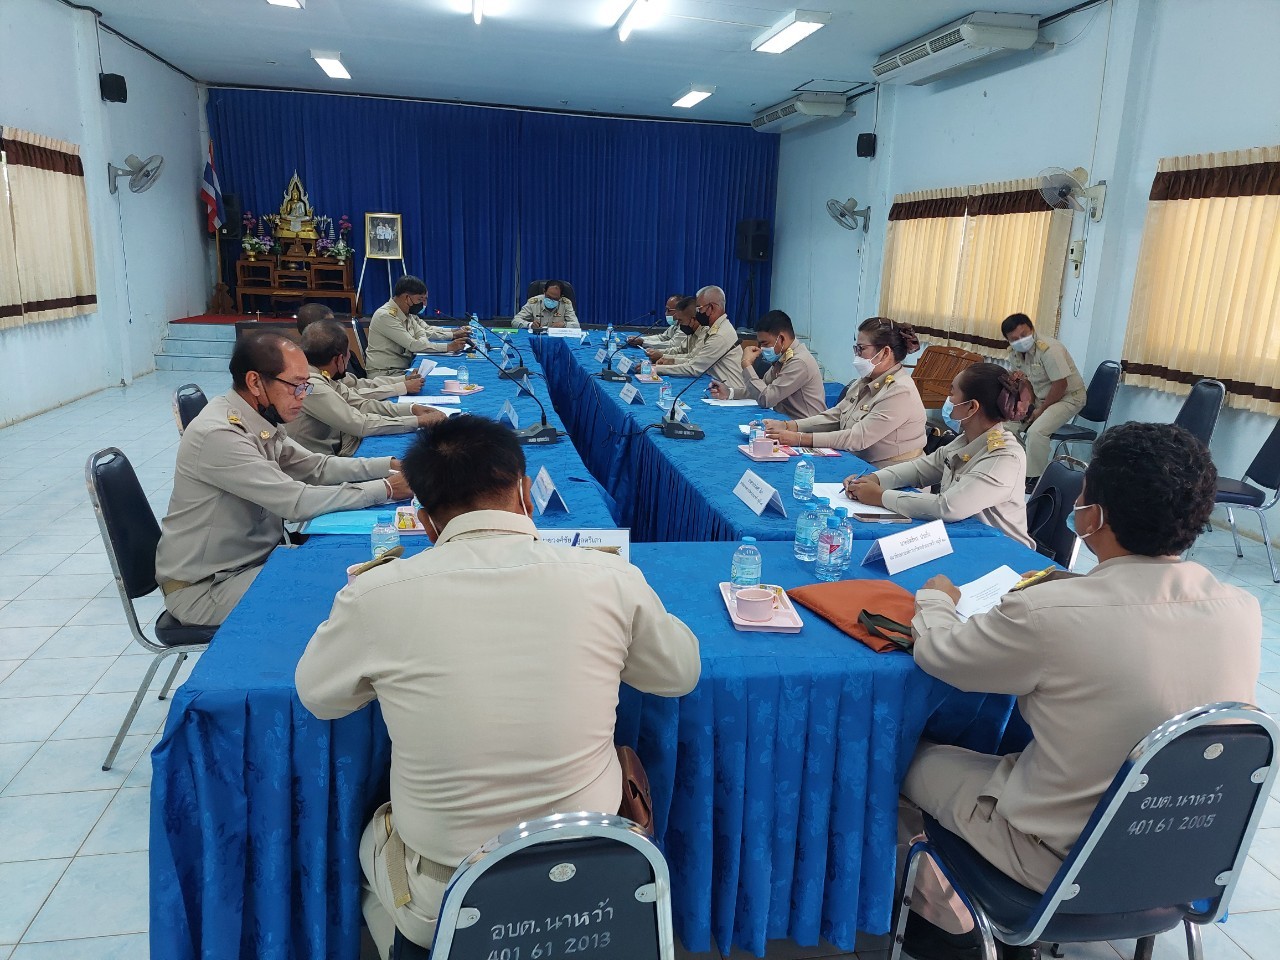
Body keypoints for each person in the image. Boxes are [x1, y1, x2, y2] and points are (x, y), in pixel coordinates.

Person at [294, 414, 701, 956]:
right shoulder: (607, 577)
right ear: (525, 493)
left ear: (425, 521)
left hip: (450, 894)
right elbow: (678, 674)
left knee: (369, 834)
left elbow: (319, 698)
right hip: (598, 874)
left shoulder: (376, 595)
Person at [895, 422, 1261, 960]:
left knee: (901, 758)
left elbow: (940, 655)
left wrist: (936, 600)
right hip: (1183, 856)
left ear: (1094, 517)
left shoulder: (1051, 614)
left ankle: (945, 920)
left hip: (1058, 858)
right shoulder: (1241, 609)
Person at [155, 333, 410, 626]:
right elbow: (296, 502)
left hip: (253, 561)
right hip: (207, 588)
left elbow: (316, 467)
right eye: (296, 386)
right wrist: (386, 489)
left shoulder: (257, 417)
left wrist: (389, 465)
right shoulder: (220, 434)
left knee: (354, 572)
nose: (303, 395)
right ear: (255, 382)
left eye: (306, 385)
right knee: (347, 595)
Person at [845, 362, 1033, 547]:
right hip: (966, 539)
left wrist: (879, 496)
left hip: (1002, 551)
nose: (948, 400)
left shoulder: (1004, 458)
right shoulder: (966, 440)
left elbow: (948, 507)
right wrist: (875, 479)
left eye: (952, 393)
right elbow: (920, 470)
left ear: (971, 407)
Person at [764, 317, 925, 464]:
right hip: (858, 460)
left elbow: (857, 438)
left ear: (885, 352)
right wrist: (789, 426)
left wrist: (800, 439)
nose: (857, 356)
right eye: (856, 349)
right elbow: (836, 415)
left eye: (861, 349)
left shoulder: (900, 391)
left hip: (889, 472)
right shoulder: (866, 380)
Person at [287, 320, 447, 456]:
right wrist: (417, 421)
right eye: (348, 354)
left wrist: (411, 409)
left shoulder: (322, 374)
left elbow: (360, 403)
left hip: (333, 450)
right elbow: (359, 424)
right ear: (339, 359)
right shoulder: (311, 384)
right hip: (315, 466)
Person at [1001, 313, 1087, 488]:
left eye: (1024, 335)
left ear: (1032, 329)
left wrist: (1040, 411)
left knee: (1036, 431)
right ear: (1008, 341)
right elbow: (1026, 381)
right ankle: (1024, 466)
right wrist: (1029, 405)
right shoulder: (1014, 354)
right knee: (1005, 426)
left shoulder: (1050, 350)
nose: (1020, 341)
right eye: (1014, 339)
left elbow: (1060, 385)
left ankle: (1036, 478)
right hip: (1043, 397)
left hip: (1069, 397)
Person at [709, 310, 825, 419]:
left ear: (781, 338)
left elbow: (766, 399)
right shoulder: (782, 357)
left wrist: (746, 364)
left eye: (765, 343)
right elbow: (762, 389)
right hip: (786, 423)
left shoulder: (799, 362)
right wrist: (730, 392)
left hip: (806, 429)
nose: (761, 349)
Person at [296, 303, 424, 400]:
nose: (335, 327)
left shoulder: (335, 356)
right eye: (329, 324)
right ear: (314, 329)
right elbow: (350, 398)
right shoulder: (309, 373)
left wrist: (402, 380)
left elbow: (357, 383)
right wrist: (400, 387)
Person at [365, 276, 468, 378]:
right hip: (385, 374)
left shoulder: (407, 313)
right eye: (419, 299)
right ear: (406, 298)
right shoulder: (386, 316)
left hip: (401, 369)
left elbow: (422, 332)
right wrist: (449, 347)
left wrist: (421, 342)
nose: (422, 304)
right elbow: (413, 345)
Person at [654, 284, 745, 395]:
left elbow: (694, 368)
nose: (696, 313)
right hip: (717, 387)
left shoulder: (720, 334)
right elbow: (695, 359)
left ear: (711, 308)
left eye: (699, 308)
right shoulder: (714, 328)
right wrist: (670, 360)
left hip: (731, 393)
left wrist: (656, 369)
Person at [644, 296, 699, 363]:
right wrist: (659, 352)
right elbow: (680, 350)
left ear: (693, 319)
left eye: (669, 310)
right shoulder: (690, 330)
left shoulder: (704, 334)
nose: (666, 313)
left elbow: (693, 361)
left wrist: (662, 357)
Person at [513, 280, 580, 330]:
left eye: (555, 299)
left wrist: (564, 324)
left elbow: (576, 325)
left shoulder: (566, 304)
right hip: (536, 337)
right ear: (544, 292)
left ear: (561, 297)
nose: (551, 300)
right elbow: (515, 321)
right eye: (548, 297)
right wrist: (530, 325)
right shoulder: (534, 302)